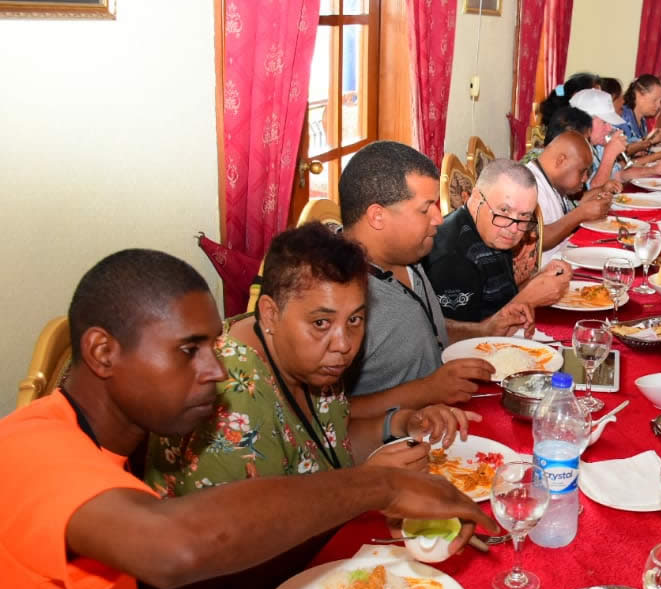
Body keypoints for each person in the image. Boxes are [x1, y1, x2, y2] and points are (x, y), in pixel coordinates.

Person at [0, 249, 494, 589]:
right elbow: (173, 547)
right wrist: (379, 486)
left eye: (214, 344)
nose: (215, 370)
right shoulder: (29, 448)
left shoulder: (110, 445)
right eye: (189, 350)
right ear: (103, 352)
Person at [146, 223, 478, 495]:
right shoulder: (230, 392)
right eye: (321, 323)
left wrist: (400, 424)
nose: (344, 344)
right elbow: (247, 538)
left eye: (355, 320)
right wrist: (361, 486)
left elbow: (333, 440)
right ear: (271, 314)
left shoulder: (316, 360)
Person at [336, 141, 534, 412]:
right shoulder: (338, 293)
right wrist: (426, 390)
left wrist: (483, 331)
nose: (439, 219)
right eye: (425, 208)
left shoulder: (410, 256)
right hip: (394, 444)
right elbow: (328, 420)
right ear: (377, 216)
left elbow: (427, 331)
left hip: (444, 414)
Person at [425, 159, 573, 321]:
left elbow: (498, 302)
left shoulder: (494, 231)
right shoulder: (452, 257)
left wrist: (539, 281)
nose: (514, 229)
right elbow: (460, 340)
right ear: (475, 199)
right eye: (504, 210)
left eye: (524, 216)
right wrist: (527, 299)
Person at [527, 129, 614, 254]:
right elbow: (536, 239)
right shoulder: (528, 184)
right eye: (582, 172)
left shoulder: (554, 182)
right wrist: (580, 214)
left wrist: (591, 205)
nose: (585, 178)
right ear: (561, 161)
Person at [570, 88, 661, 189]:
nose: (609, 128)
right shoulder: (572, 149)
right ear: (584, 122)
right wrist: (609, 155)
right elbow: (591, 192)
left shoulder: (597, 145)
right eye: (604, 122)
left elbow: (618, 175)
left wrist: (654, 170)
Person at [617, 73, 661, 156]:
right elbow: (621, 154)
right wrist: (651, 141)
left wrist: (657, 140)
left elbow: (642, 146)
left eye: (660, 101)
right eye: (655, 100)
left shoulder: (642, 119)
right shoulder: (622, 117)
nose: (659, 105)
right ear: (639, 94)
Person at [520, 105, 593, 164]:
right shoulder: (546, 163)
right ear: (568, 139)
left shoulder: (543, 154)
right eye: (585, 141)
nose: (588, 147)